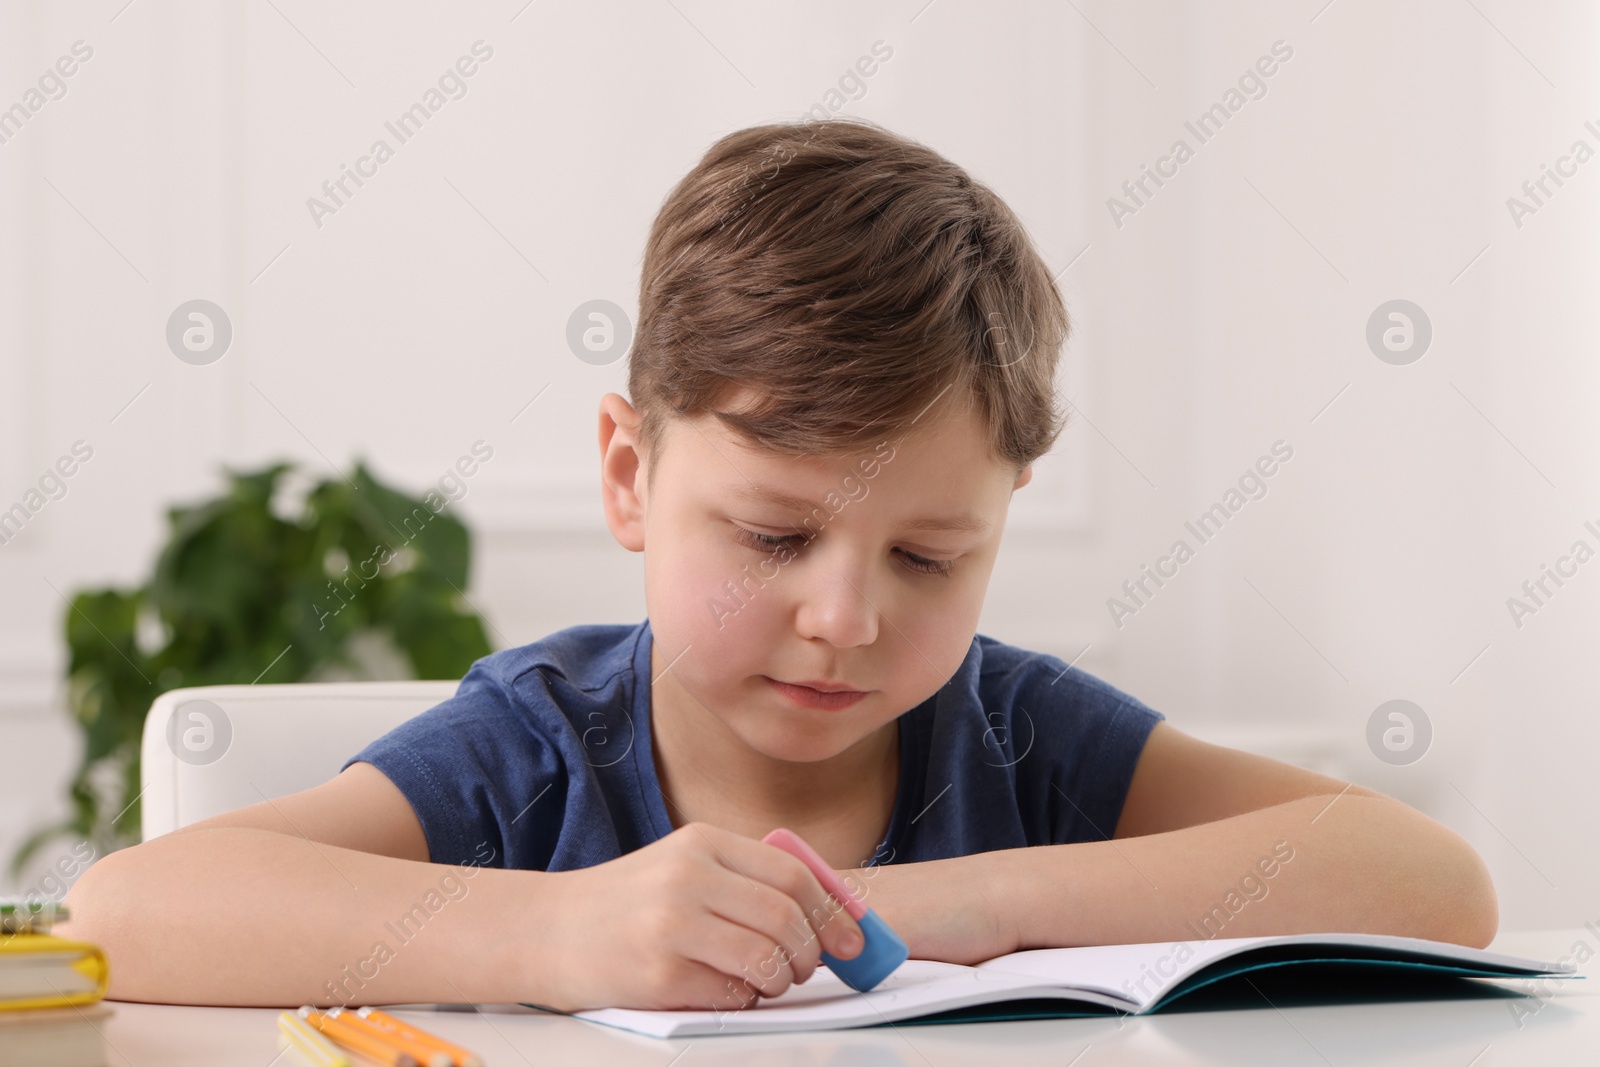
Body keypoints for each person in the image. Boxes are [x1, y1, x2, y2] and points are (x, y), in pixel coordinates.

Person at [61, 117, 1497, 1013]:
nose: (846, 618)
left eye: (933, 556)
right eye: (771, 537)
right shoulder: (544, 750)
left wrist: (977, 907)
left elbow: (1427, 881)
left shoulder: (1018, 741)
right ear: (633, 474)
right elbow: (125, 913)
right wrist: (557, 936)